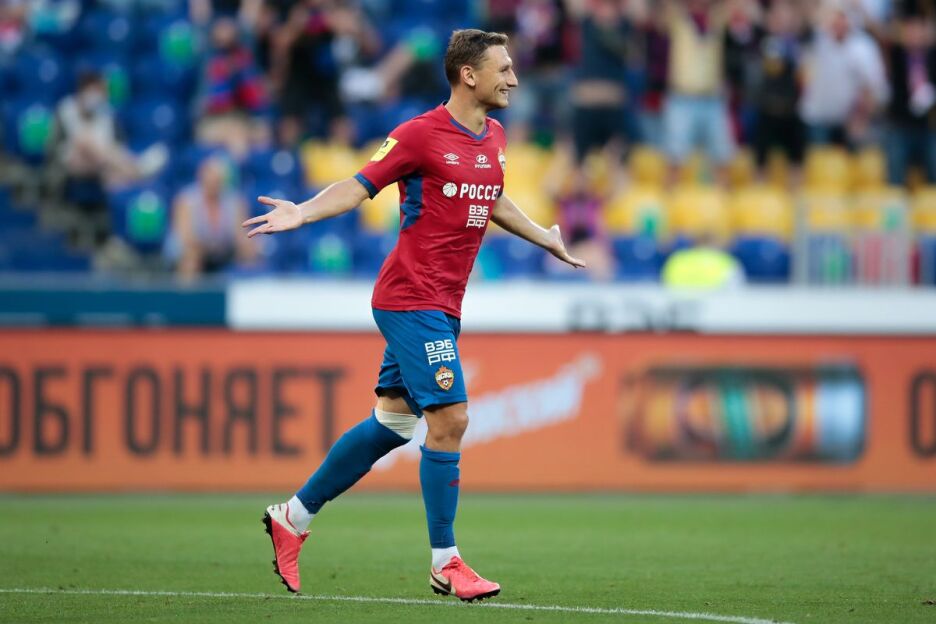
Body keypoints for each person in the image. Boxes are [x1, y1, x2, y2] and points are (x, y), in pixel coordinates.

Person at [243, 29, 585, 601]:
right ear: (469, 75)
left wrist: (543, 237)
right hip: (410, 298)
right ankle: (446, 562)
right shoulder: (418, 135)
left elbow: (493, 197)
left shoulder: (495, 136)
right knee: (450, 418)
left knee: (394, 424)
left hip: (443, 304)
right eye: (503, 68)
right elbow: (359, 186)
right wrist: (303, 212)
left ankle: (292, 517)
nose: (514, 78)